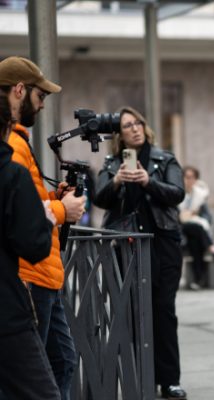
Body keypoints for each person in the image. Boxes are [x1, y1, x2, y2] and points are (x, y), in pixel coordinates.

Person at [0, 56, 82, 400]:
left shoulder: (17, 141)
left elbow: (22, 200)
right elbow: (14, 213)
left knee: (61, 361)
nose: (43, 103)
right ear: (20, 91)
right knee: (39, 376)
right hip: (29, 277)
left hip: (43, 274)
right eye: (40, 95)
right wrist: (63, 209)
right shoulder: (12, 146)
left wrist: (52, 196)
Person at [93, 106, 187, 400]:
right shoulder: (112, 164)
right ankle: (137, 377)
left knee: (163, 310)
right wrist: (118, 181)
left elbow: (177, 193)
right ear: (119, 135)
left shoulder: (164, 158)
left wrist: (149, 182)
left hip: (163, 244)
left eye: (137, 123)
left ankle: (168, 380)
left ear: (145, 127)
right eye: (126, 126)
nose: (134, 128)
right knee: (131, 311)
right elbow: (99, 199)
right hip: (126, 245)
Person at [0, 92, 60, 399]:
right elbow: (30, 241)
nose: (42, 104)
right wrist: (54, 215)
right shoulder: (11, 168)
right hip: (13, 300)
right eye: (39, 95)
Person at [179, 166, 214, 290]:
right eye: (186, 177)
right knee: (196, 228)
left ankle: (198, 280)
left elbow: (208, 217)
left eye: (192, 177)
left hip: (194, 233)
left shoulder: (199, 196)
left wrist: (195, 215)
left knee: (195, 242)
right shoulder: (177, 193)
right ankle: (213, 250)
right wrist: (186, 215)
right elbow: (173, 218)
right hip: (180, 230)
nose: (189, 180)